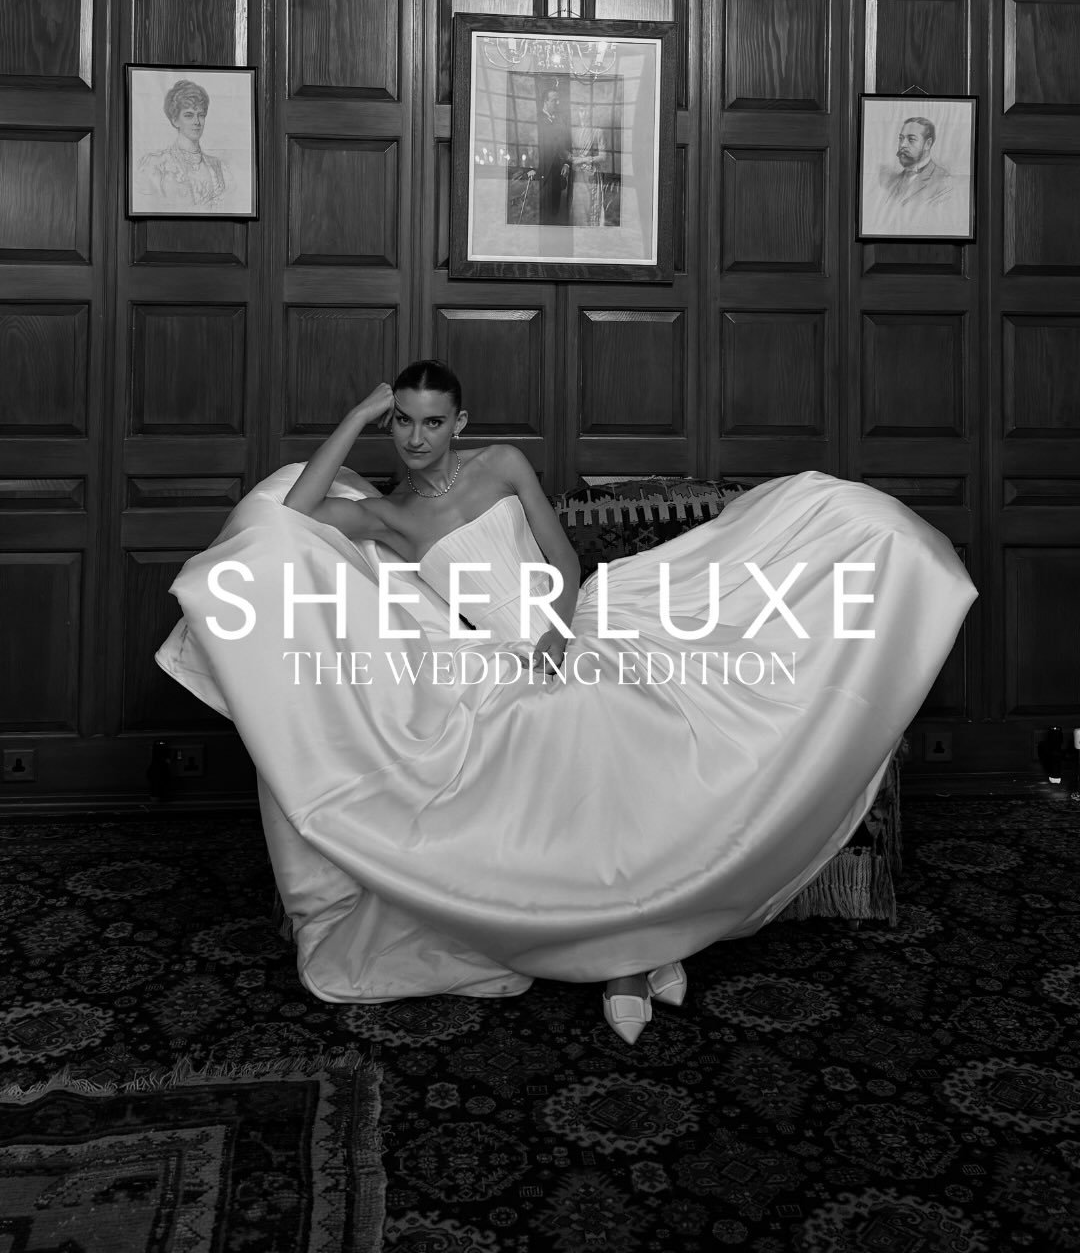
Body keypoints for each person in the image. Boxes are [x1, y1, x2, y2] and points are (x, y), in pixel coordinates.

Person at [157, 359, 976, 1044]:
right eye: (401, 421)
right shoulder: (386, 516)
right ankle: (636, 953)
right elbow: (294, 516)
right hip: (499, 658)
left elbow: (563, 560)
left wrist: (555, 633)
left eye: (432, 421)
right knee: (553, 731)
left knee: (628, 705)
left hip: (570, 621)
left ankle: (635, 948)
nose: (416, 438)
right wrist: (354, 415)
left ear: (459, 422)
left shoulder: (502, 465)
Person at [135, 78, 231, 212]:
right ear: (175, 120)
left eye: (201, 115)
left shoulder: (218, 166)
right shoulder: (155, 164)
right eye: (189, 115)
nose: (197, 122)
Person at [876, 116, 956, 222]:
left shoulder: (944, 183)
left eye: (911, 139)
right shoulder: (893, 182)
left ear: (928, 144)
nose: (902, 145)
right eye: (901, 138)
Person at [536, 82, 571, 224]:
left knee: (555, 212)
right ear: (545, 101)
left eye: (558, 100)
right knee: (541, 213)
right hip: (541, 173)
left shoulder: (561, 121)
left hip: (558, 174)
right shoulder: (536, 120)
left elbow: (567, 143)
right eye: (554, 100)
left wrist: (567, 164)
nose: (557, 103)